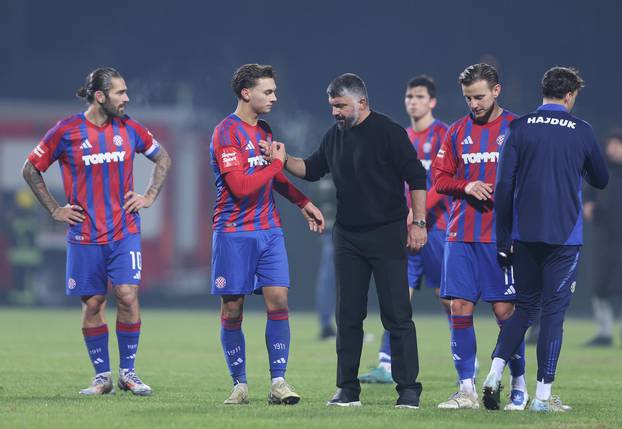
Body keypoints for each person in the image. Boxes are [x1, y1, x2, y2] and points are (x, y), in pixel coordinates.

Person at [263, 73, 427, 409]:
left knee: (397, 315)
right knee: (348, 316)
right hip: (348, 236)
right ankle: (347, 390)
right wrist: (282, 160)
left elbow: (416, 177)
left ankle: (408, 390)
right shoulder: (334, 136)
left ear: (362, 103)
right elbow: (310, 168)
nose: (335, 112)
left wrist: (419, 222)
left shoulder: (389, 132)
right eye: (332, 106)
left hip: (387, 232)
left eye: (341, 105)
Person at [22, 67, 172, 396]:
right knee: (93, 304)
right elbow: (30, 169)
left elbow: (163, 158)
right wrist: (54, 209)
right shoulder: (66, 131)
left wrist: (148, 196)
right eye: (120, 92)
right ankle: (102, 376)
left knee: (128, 296)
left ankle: (128, 372)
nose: (127, 98)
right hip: (84, 235)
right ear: (100, 96)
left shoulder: (130, 128)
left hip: (124, 231)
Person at [482, 67, 608, 412]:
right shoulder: (582, 131)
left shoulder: (518, 128)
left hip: (523, 234)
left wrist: (503, 237)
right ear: (570, 95)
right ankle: (541, 397)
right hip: (564, 238)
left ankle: (494, 372)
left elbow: (504, 187)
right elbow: (601, 178)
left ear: (544, 91)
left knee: (524, 308)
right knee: (553, 314)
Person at [210, 64, 324, 405]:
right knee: (233, 309)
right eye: (268, 91)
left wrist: (303, 201)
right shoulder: (225, 133)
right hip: (233, 232)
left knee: (279, 301)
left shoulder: (265, 130)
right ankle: (240, 385)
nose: (274, 97)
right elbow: (241, 186)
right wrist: (277, 163)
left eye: (274, 91)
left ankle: (278, 383)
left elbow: (272, 177)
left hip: (268, 230)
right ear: (247, 93)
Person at [432, 63, 528, 410]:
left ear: (497, 91)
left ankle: (518, 384)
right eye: (468, 98)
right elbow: (440, 179)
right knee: (459, 307)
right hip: (460, 234)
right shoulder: (457, 131)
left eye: (479, 96)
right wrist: (466, 185)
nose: (473, 103)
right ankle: (466, 389)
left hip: (500, 237)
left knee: (505, 312)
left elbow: (530, 181)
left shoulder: (516, 128)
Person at [359, 75, 450, 384]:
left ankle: (467, 361)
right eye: (409, 96)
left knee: (449, 299)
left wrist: (417, 212)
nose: (413, 101)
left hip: (437, 230)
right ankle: (386, 364)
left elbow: (440, 181)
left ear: (432, 101)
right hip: (405, 228)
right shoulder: (402, 136)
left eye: (420, 96)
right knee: (398, 297)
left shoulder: (444, 135)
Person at [583, 130, 622, 347]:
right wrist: (588, 205)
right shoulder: (601, 170)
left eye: (618, 144)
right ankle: (604, 331)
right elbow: (588, 193)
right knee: (600, 283)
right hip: (604, 236)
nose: (613, 149)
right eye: (611, 144)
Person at [313, 176, 337, 340]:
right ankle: (327, 326)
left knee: (331, 279)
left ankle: (330, 325)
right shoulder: (327, 180)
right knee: (328, 279)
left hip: (334, 230)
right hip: (333, 231)